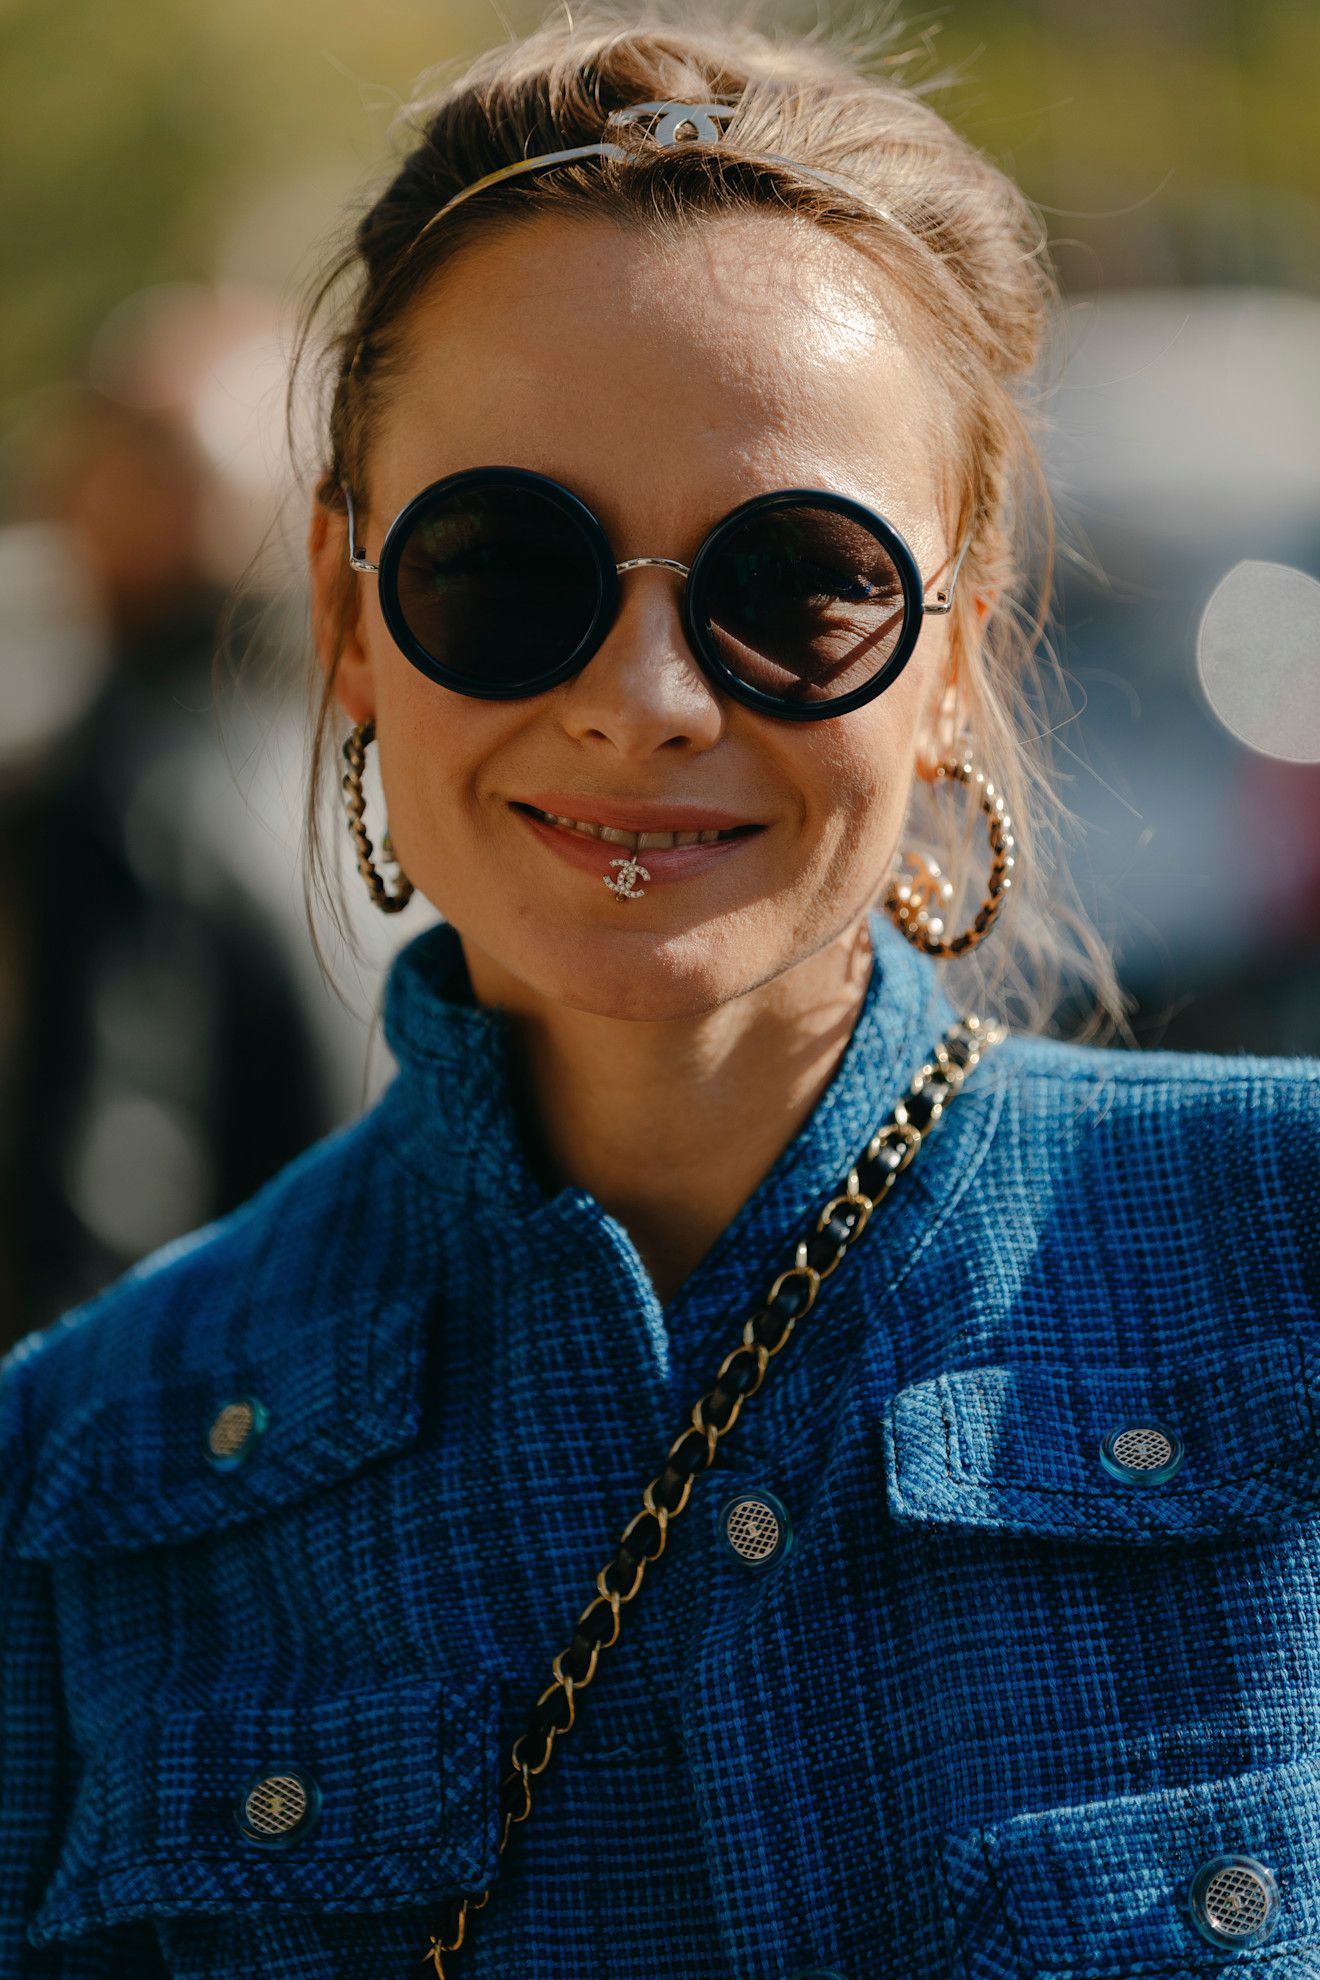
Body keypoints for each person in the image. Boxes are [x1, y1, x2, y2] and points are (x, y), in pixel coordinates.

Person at [2, 14, 1317, 1979]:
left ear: (958, 657)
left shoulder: (1288, 1255)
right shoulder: (77, 1480)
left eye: (795, 581)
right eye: (502, 568)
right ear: (350, 621)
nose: (645, 699)